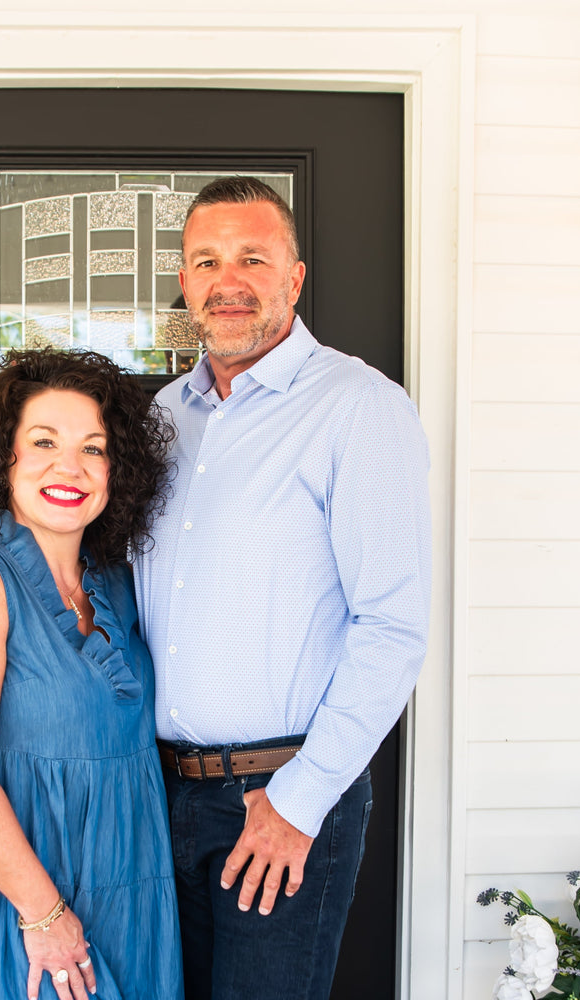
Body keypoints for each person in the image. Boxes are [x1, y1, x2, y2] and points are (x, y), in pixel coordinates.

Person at [135, 176, 432, 1000]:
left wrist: (298, 802)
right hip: (159, 798)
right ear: (187, 280)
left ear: (294, 279)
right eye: (206, 261)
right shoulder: (163, 418)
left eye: (252, 258)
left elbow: (393, 626)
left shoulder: (358, 408)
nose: (227, 281)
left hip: (282, 795)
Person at [0, 349, 183, 1000]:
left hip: (126, 900)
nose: (71, 466)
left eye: (94, 448)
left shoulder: (117, 584)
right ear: (3, 458)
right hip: (16, 908)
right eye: (44, 442)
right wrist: (44, 913)